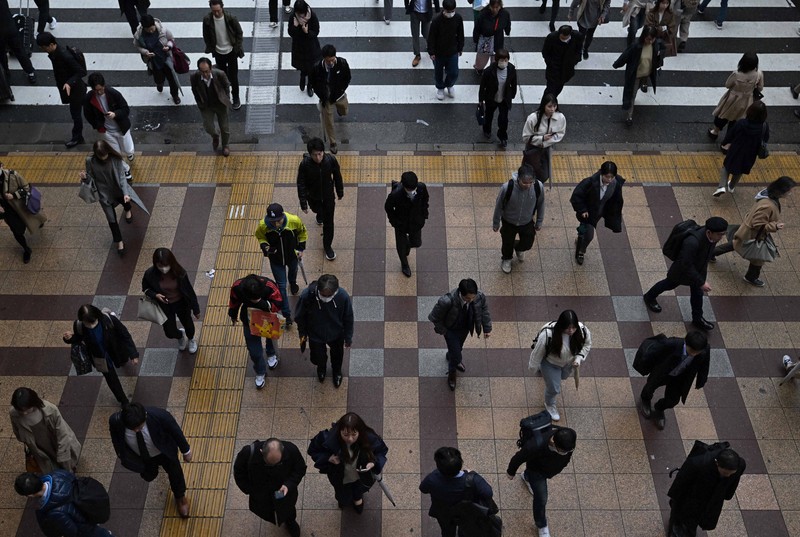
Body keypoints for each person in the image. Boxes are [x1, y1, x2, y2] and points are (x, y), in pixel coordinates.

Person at [643, 216, 728, 331]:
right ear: (709, 232)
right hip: (682, 272)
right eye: (720, 234)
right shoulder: (692, 242)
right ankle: (649, 297)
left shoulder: (712, 237)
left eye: (723, 234)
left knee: (697, 295)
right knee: (668, 284)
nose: (721, 237)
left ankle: (697, 319)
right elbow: (685, 264)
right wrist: (701, 282)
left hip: (698, 270)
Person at [109, 403, 192, 518]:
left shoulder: (160, 416)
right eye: (133, 428)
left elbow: (175, 431)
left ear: (145, 417)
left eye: (140, 427)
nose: (137, 430)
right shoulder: (116, 421)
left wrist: (186, 451)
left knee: (175, 473)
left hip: (164, 452)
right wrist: (121, 454)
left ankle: (180, 497)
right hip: (143, 457)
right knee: (149, 475)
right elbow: (116, 438)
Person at [714, 176, 796, 287]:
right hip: (753, 235)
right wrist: (775, 226)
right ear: (782, 191)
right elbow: (758, 224)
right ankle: (751, 277)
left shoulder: (767, 196)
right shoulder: (768, 205)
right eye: (789, 191)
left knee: (736, 244)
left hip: (748, 232)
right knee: (758, 258)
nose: (790, 193)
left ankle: (710, 253)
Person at [307, 412, 388, 513]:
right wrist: (328, 457)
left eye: (354, 434)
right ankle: (345, 500)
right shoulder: (327, 438)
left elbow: (381, 451)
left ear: (360, 432)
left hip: (361, 476)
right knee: (342, 493)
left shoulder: (370, 438)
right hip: (340, 476)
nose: (350, 439)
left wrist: (373, 462)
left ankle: (357, 499)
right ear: (339, 431)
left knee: (358, 489)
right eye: (345, 434)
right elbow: (313, 450)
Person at [63, 304, 140, 407]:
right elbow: (78, 338)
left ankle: (122, 361)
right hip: (100, 358)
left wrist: (133, 354)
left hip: (116, 351)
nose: (91, 326)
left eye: (93, 322)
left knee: (121, 360)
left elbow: (124, 334)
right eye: (87, 323)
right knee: (111, 380)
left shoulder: (108, 320)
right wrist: (68, 339)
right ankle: (123, 400)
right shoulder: (79, 325)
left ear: (97, 316)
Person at [80, 140, 148, 255]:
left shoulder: (116, 159)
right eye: (100, 156)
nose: (103, 158)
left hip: (118, 189)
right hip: (104, 195)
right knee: (111, 219)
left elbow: (122, 177)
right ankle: (119, 241)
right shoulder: (90, 161)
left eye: (104, 155)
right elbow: (91, 178)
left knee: (125, 200)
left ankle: (128, 210)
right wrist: (85, 178)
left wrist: (126, 192)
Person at [506, 426, 577, 537]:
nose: (566, 453)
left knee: (533, 481)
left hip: (548, 469)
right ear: (553, 442)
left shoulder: (569, 440)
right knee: (541, 498)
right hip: (537, 472)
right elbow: (519, 457)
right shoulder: (535, 446)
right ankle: (541, 524)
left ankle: (526, 476)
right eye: (563, 451)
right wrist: (511, 472)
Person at [234, 438, 307, 537]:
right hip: (262, 492)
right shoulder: (247, 453)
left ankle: (290, 522)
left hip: (282, 491)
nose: (273, 466)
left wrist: (288, 485)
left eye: (278, 463)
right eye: (269, 463)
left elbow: (300, 469)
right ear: (261, 452)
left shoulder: (291, 450)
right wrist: (250, 490)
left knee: (287, 507)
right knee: (265, 508)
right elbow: (239, 473)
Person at [638, 331, 710, 430]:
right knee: (650, 386)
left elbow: (705, 365)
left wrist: (701, 380)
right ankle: (645, 400)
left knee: (672, 401)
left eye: (697, 352)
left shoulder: (704, 349)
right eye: (691, 350)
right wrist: (647, 367)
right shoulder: (671, 343)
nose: (694, 354)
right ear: (686, 343)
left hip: (680, 377)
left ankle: (659, 408)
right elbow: (653, 352)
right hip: (663, 372)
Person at [428, 278, 492, 391]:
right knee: (456, 355)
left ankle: (451, 356)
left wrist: (487, 328)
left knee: (458, 348)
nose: (471, 300)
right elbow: (434, 317)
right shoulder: (447, 301)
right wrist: (444, 331)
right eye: (468, 298)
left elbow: (484, 310)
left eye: (473, 297)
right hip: (451, 330)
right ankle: (452, 372)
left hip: (465, 328)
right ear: (461, 293)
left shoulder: (479, 296)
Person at [528, 310, 592, 421]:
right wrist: (533, 366)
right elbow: (537, 353)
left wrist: (578, 358)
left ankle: (544, 373)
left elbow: (587, 344)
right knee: (554, 388)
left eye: (573, 327)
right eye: (568, 327)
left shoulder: (582, 331)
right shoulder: (548, 335)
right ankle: (550, 404)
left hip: (568, 364)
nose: (571, 331)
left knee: (562, 377)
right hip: (550, 363)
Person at [419, 446, 495, 537]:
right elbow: (488, 493)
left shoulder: (432, 479)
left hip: (444, 512)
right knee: (466, 528)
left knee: (447, 530)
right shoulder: (472, 479)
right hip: (467, 512)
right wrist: (472, 473)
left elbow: (423, 489)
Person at [668, 447, 745, 535]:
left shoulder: (740, 465)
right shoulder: (698, 464)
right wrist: (676, 500)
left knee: (699, 518)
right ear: (717, 463)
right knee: (685, 517)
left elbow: (734, 482)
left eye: (731, 474)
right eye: (724, 473)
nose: (728, 476)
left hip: (712, 499)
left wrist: (727, 494)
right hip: (693, 497)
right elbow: (680, 485)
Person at [294, 274, 354, 387]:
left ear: (335, 291)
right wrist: (302, 334)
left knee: (337, 355)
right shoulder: (307, 296)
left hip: (336, 333)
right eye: (323, 295)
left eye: (329, 295)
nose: (326, 298)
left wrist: (348, 336)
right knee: (318, 356)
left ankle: (337, 372)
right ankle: (321, 369)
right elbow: (299, 317)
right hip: (315, 334)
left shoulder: (342, 297)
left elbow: (348, 317)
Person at [254, 202, 308, 326]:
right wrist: (265, 246)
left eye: (278, 220)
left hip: (292, 256)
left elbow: (302, 233)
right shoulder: (263, 226)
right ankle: (286, 313)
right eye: (273, 221)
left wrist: (301, 249)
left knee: (293, 272)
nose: (276, 224)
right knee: (281, 286)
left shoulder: (294, 221)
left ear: (283, 216)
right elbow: (260, 237)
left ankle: (293, 283)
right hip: (276, 260)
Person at [14, 471, 114, 537]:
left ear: (30, 495)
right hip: (86, 510)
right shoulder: (57, 474)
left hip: (84, 528)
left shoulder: (54, 512)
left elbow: (72, 531)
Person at [228, 274, 283, 389]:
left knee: (270, 337)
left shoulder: (269, 286)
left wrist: (261, 303)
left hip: (269, 317)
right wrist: (233, 315)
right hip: (249, 318)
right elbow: (234, 302)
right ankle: (260, 371)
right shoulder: (237, 287)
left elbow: (278, 304)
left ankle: (271, 353)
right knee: (254, 350)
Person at [9, 387, 81, 474]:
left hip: (55, 441)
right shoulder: (14, 414)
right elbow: (17, 432)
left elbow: (62, 434)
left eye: (27, 409)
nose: (24, 413)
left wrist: (64, 457)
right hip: (38, 447)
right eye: (21, 411)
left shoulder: (50, 410)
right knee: (48, 463)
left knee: (64, 461)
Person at [142, 247, 201, 352]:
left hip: (181, 303)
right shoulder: (150, 274)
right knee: (169, 332)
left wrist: (196, 309)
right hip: (165, 306)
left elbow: (189, 291)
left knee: (188, 324)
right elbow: (145, 288)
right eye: (160, 266)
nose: (163, 269)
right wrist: (155, 295)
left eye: (166, 265)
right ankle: (180, 336)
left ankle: (191, 339)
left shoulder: (180, 273)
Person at [569, 160, 625, 265]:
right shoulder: (589, 183)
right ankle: (581, 251)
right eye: (607, 177)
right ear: (601, 174)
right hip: (588, 214)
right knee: (589, 235)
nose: (609, 180)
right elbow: (576, 197)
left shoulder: (616, 183)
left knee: (585, 233)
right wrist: (583, 210)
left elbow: (617, 199)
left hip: (601, 212)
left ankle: (580, 240)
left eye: (611, 177)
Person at [296, 137, 344, 261]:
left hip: (328, 197)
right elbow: (301, 183)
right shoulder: (305, 165)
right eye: (314, 155)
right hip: (313, 197)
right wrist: (303, 203)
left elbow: (337, 176)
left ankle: (327, 246)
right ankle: (319, 215)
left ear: (323, 152)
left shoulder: (330, 160)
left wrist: (340, 191)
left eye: (320, 154)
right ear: (310, 154)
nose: (318, 158)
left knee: (329, 223)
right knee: (318, 211)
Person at [35, 32, 86, 148]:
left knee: (76, 114)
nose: (43, 50)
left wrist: (69, 82)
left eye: (44, 48)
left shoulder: (64, 55)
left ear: (51, 44)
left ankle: (77, 137)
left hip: (75, 90)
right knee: (82, 107)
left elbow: (82, 71)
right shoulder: (55, 52)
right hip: (71, 88)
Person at [492, 164, 545, 274]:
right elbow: (499, 205)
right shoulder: (507, 187)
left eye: (531, 182)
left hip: (527, 221)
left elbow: (541, 204)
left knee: (528, 242)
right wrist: (496, 222)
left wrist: (539, 221)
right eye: (525, 182)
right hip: (508, 221)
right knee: (507, 242)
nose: (528, 185)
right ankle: (506, 259)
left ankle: (519, 248)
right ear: (518, 179)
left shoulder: (538, 186)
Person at [83, 73, 136, 176]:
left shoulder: (113, 93)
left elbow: (125, 109)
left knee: (128, 149)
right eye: (96, 90)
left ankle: (130, 154)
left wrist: (115, 114)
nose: (99, 92)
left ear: (104, 85)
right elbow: (88, 114)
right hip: (106, 131)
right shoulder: (89, 98)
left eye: (101, 89)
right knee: (115, 154)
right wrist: (98, 126)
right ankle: (125, 170)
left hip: (121, 128)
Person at [712, 101, 769, 197]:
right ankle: (731, 186)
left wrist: (724, 142)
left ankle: (722, 186)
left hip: (736, 149)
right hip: (751, 153)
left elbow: (731, 135)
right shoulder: (764, 126)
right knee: (740, 170)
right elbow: (765, 139)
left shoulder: (741, 123)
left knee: (726, 166)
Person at [612, 25, 665, 126]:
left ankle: (643, 86)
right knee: (632, 95)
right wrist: (617, 64)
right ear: (643, 36)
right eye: (648, 39)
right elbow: (625, 56)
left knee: (637, 89)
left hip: (647, 73)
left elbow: (662, 50)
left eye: (652, 39)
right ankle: (629, 116)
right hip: (635, 75)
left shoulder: (655, 45)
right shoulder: (636, 46)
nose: (650, 41)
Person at [707, 52, 763, 141]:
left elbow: (727, 85)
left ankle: (715, 132)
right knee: (736, 120)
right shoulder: (758, 74)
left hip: (732, 98)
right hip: (747, 100)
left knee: (723, 115)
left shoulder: (736, 74)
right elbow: (760, 88)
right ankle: (727, 142)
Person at [385, 171, 430, 277]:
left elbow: (425, 200)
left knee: (417, 243)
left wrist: (424, 214)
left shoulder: (421, 187)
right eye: (409, 189)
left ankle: (407, 245)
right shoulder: (395, 195)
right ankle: (404, 264)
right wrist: (395, 222)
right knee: (401, 247)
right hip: (401, 223)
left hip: (416, 222)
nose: (412, 191)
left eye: (413, 188)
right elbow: (388, 208)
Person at [0, 162, 47, 264]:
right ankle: (26, 249)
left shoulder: (13, 175)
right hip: (7, 210)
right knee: (17, 231)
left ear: (1, 166)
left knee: (34, 217)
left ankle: (40, 222)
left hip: (21, 206)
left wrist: (14, 195)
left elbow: (26, 187)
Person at [203, 0, 244, 110]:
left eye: (218, 10)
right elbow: (206, 35)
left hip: (231, 52)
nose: (216, 13)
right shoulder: (207, 20)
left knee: (233, 76)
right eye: (214, 11)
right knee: (222, 76)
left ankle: (236, 97)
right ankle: (225, 95)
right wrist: (211, 47)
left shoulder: (231, 18)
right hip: (218, 52)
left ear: (222, 7)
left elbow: (239, 33)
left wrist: (236, 49)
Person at [311, 44, 351, 155]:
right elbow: (313, 82)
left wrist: (342, 88)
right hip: (326, 97)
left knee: (344, 110)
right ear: (324, 59)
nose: (330, 63)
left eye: (332, 60)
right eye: (328, 61)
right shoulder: (317, 67)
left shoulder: (342, 63)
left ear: (335, 57)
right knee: (328, 119)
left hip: (338, 94)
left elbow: (347, 77)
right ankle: (332, 142)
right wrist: (321, 94)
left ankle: (340, 111)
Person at [133, 14, 182, 105]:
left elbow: (171, 39)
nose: (151, 31)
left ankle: (175, 95)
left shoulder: (163, 30)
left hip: (166, 59)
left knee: (172, 78)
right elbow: (137, 45)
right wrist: (145, 52)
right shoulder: (139, 35)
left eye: (152, 29)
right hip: (154, 61)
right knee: (158, 77)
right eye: (148, 30)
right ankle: (160, 83)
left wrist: (168, 46)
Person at [190, 57, 232, 156]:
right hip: (206, 105)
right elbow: (194, 90)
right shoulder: (194, 77)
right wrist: (199, 103)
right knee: (208, 126)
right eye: (202, 71)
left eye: (207, 71)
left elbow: (227, 86)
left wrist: (226, 98)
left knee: (224, 127)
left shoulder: (219, 74)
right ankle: (215, 136)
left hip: (220, 103)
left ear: (211, 68)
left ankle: (225, 145)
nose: (205, 74)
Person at [522, 93, 566, 183]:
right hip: (533, 149)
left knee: (544, 175)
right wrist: (541, 139)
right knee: (529, 172)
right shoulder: (533, 119)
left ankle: (536, 187)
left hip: (546, 150)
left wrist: (546, 142)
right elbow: (526, 137)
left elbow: (560, 133)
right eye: (549, 106)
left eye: (554, 106)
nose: (552, 109)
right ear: (543, 106)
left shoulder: (560, 118)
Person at [478, 48, 517, 147]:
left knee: (504, 119)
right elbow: (483, 86)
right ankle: (487, 130)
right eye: (501, 60)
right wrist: (481, 100)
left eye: (506, 60)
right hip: (491, 97)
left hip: (504, 99)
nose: (504, 62)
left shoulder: (511, 69)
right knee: (489, 115)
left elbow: (514, 83)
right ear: (496, 60)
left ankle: (503, 137)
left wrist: (512, 95)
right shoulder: (489, 71)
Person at [427, 0, 464, 101]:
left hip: (453, 51)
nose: (450, 13)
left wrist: (460, 48)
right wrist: (431, 52)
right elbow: (432, 37)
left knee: (454, 72)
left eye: (452, 11)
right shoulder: (436, 20)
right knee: (438, 72)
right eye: (448, 11)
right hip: (439, 52)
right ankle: (440, 87)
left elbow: (460, 34)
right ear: (444, 9)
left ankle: (449, 84)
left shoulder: (458, 18)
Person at [287, 0, 321, 97]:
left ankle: (310, 85)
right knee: (302, 66)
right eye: (298, 13)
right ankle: (302, 76)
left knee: (311, 67)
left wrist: (307, 32)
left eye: (302, 13)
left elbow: (316, 31)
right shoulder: (293, 17)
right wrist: (295, 27)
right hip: (299, 46)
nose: (300, 15)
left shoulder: (312, 16)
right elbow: (290, 32)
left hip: (311, 46)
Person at [541, 25, 583, 98]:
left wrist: (574, 61)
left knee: (558, 88)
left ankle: (551, 103)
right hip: (553, 69)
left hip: (566, 69)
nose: (563, 39)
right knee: (550, 90)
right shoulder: (552, 37)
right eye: (561, 37)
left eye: (564, 38)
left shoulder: (577, 36)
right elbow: (545, 52)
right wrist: (550, 63)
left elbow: (578, 50)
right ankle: (547, 105)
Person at [0, 0, 37, 85]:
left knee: (2, 54)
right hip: (10, 27)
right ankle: (30, 72)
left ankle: (6, 72)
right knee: (20, 51)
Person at [472, 0, 510, 74]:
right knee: (481, 59)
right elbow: (477, 28)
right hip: (485, 40)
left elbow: (507, 23)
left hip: (497, 39)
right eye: (493, 7)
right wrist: (476, 40)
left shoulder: (504, 14)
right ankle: (479, 68)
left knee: (495, 58)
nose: (495, 9)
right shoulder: (483, 14)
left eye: (497, 7)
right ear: (490, 6)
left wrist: (507, 30)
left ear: (500, 6)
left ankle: (492, 71)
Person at [405, 0, 440, 67]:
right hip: (414, 12)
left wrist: (437, 9)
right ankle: (417, 54)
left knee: (426, 33)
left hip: (426, 13)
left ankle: (430, 46)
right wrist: (407, 6)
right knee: (415, 34)